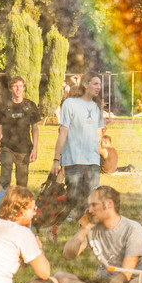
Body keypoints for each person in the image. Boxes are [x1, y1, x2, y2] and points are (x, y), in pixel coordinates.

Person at [61, 186, 142, 283]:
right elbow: (68, 255)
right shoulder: (92, 227)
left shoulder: (132, 229)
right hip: (101, 282)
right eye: (89, 205)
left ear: (109, 204)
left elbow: (125, 275)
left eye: (94, 205)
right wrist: (85, 228)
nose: (90, 210)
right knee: (60, 277)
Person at [50, 72, 104, 238]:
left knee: (91, 198)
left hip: (93, 161)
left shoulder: (98, 106)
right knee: (72, 198)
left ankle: (85, 234)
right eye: (95, 84)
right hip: (73, 160)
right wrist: (56, 160)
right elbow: (63, 133)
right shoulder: (70, 103)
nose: (98, 87)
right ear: (86, 84)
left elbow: (99, 132)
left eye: (99, 84)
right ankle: (54, 226)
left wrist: (98, 149)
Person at [0, 76, 40, 189]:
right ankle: (3, 203)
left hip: (24, 149)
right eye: (15, 86)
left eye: (20, 86)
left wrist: (35, 149)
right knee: (4, 180)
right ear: (10, 89)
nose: (18, 89)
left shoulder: (30, 105)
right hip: (7, 148)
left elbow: (35, 128)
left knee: (22, 183)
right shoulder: (4, 106)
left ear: (24, 88)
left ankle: (20, 205)